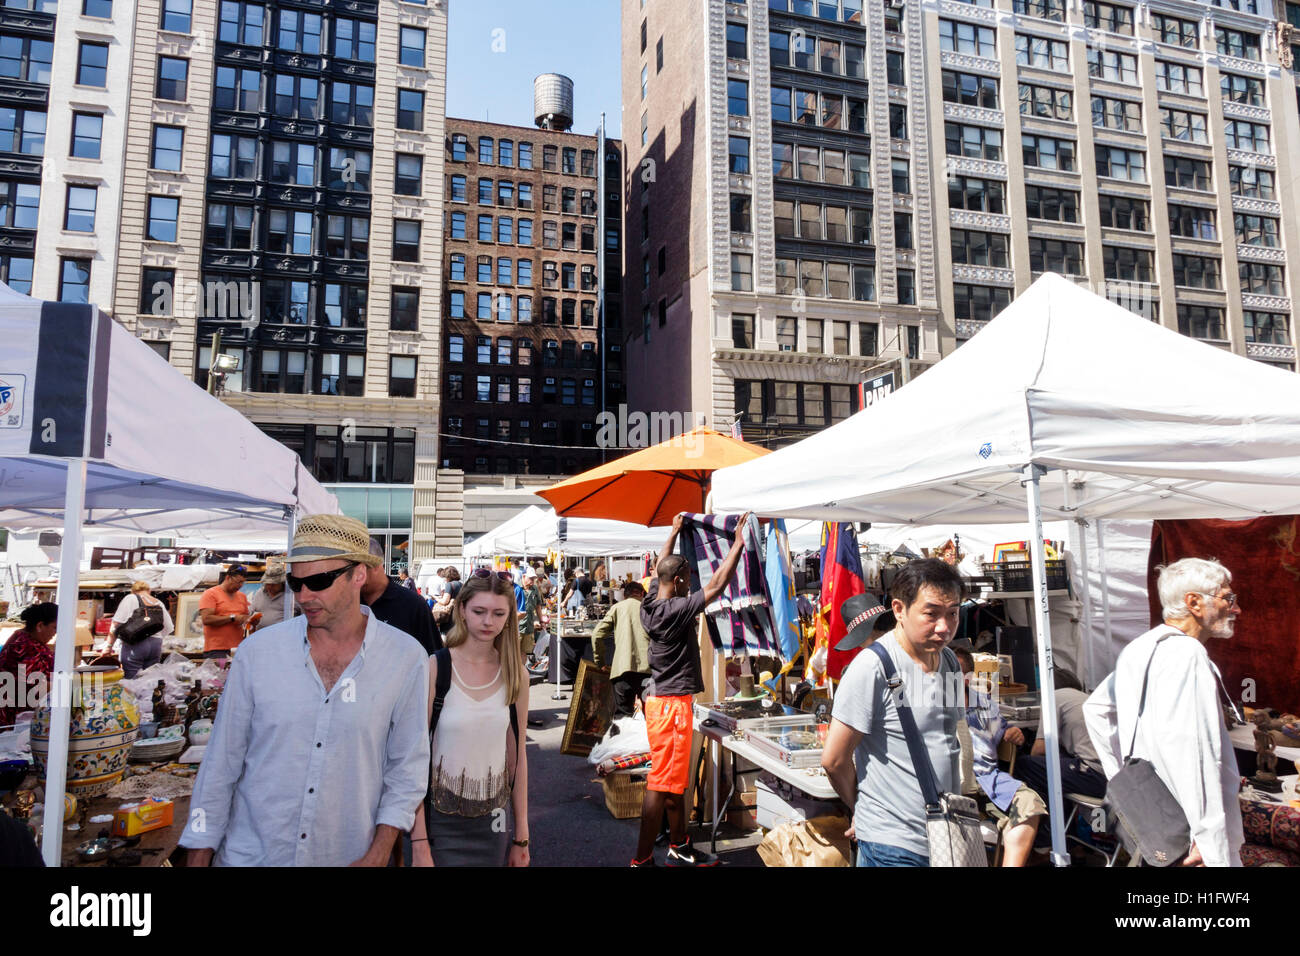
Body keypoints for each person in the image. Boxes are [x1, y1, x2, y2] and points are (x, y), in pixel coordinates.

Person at [180, 514, 430, 866]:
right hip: (252, 856)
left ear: (359, 574)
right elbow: (221, 763)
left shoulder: (405, 658)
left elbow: (407, 769)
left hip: (345, 855)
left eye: (320, 581)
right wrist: (198, 855)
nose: (304, 596)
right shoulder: (258, 653)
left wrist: (378, 854)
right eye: (296, 584)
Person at [1083, 557, 1245, 867]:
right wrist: (1208, 841)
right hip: (1190, 837)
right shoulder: (1188, 653)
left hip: (1161, 822)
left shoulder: (1141, 647)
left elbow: (1096, 709)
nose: (1236, 609)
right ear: (1194, 602)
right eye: (1228, 598)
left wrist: (1125, 778)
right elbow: (1195, 755)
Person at [821, 558, 965, 867]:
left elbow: (950, 734)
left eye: (953, 613)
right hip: (893, 845)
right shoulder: (870, 667)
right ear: (899, 609)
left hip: (946, 837)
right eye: (931, 614)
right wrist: (861, 807)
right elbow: (834, 760)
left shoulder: (950, 661)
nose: (944, 627)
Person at [632, 512, 749, 867]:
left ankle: (680, 844)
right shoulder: (677, 609)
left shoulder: (650, 603)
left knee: (673, 782)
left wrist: (673, 533)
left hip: (663, 702)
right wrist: (739, 544)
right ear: (681, 579)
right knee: (660, 783)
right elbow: (715, 586)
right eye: (686, 579)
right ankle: (640, 860)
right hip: (671, 707)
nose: (689, 584)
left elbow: (657, 569)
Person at [409, 569, 530, 867]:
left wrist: (522, 836)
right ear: (462, 610)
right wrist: (419, 840)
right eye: (479, 611)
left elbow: (518, 758)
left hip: (494, 823)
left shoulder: (516, 674)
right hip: (438, 821)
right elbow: (411, 758)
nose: (488, 621)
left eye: (499, 613)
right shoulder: (435, 668)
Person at [950, 644, 1047, 867]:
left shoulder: (983, 702)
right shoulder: (930, 704)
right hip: (950, 783)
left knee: (1029, 804)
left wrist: (1012, 733)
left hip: (987, 779)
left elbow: (1002, 731)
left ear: (966, 677)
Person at [1014, 667, 1107, 812]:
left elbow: (1039, 750)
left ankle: (1046, 825)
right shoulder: (1084, 698)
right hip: (1110, 776)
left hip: (1093, 774)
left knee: (1025, 765)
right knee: (1054, 766)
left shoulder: (1054, 697)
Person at [361, 537, 442, 655]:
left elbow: (433, 657)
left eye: (359, 569)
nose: (353, 577)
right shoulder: (347, 602)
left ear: (376, 565)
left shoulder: (413, 605)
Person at [591, 581, 650, 718]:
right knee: (651, 718)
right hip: (648, 670)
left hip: (622, 670)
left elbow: (596, 635)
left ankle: (623, 738)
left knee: (623, 718)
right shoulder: (649, 608)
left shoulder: (618, 608)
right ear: (642, 593)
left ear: (624, 595)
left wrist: (600, 662)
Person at [0, 602, 56, 727]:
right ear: (40, 625)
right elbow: (32, 684)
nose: (55, 633)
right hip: (16, 715)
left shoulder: (23, 637)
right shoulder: (25, 646)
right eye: (54, 628)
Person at [110, 581, 175, 678]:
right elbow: (169, 627)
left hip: (135, 644)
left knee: (132, 680)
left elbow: (116, 623)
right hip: (155, 645)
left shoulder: (130, 598)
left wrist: (108, 645)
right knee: (150, 680)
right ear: (149, 590)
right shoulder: (158, 603)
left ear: (133, 591)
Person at [197, 565, 250, 659]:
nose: (239, 586)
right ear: (228, 578)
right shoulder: (210, 594)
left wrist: (250, 620)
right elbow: (206, 619)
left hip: (238, 648)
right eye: (238, 582)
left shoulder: (242, 596)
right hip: (217, 649)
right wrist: (232, 618)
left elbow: (245, 617)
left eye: (243, 583)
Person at [249, 557, 289, 632]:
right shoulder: (260, 593)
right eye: (267, 584)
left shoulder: (291, 596)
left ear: (282, 582)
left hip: (282, 639)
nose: (269, 587)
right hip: (261, 638)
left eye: (273, 584)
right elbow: (250, 612)